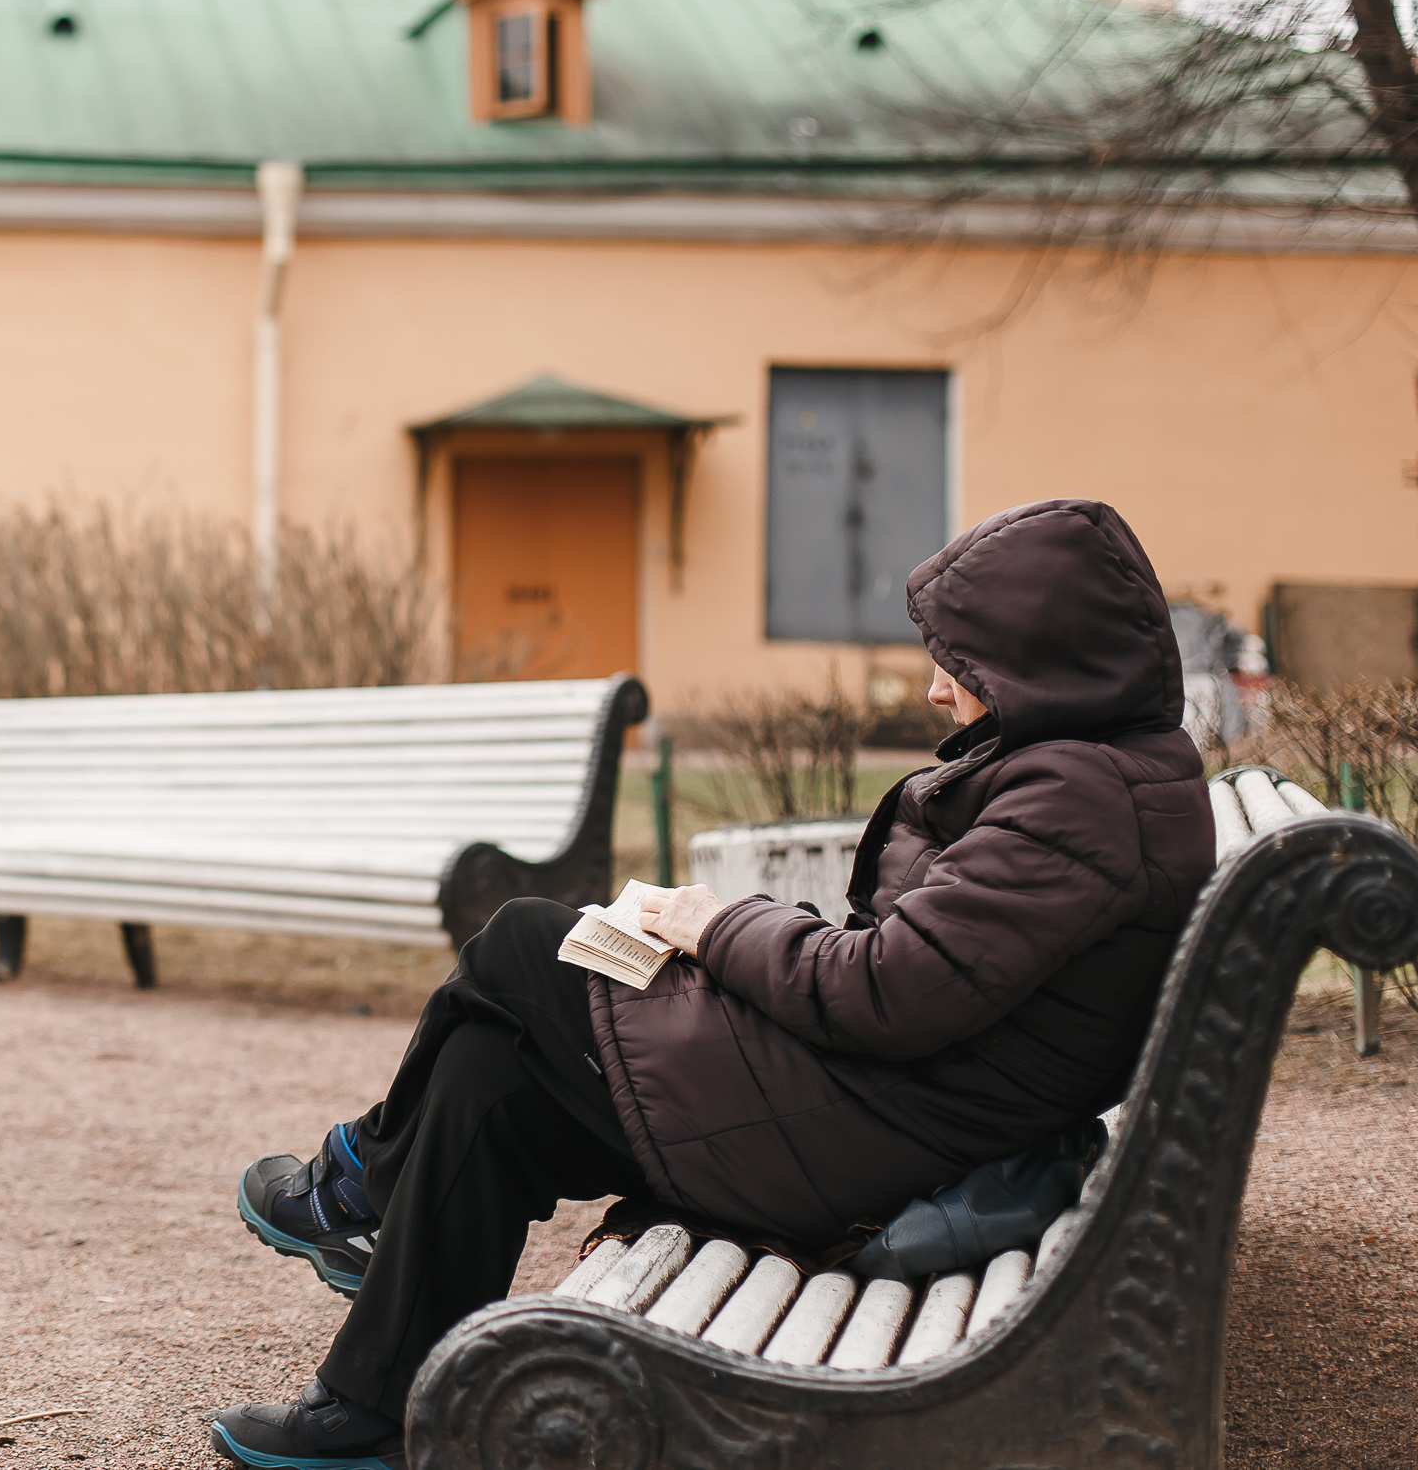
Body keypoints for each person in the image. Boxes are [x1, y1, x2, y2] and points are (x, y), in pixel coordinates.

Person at [207, 497, 1217, 1470]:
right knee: (487, 1075)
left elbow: (887, 991)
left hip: (879, 1132)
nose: (935, 690)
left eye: (958, 664)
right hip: (885, 1103)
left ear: (1035, 658)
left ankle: (352, 1182)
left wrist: (714, 923)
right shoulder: (1094, 775)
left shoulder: (1075, 799)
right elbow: (923, 969)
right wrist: (737, 939)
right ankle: (373, 1408)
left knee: (522, 941)